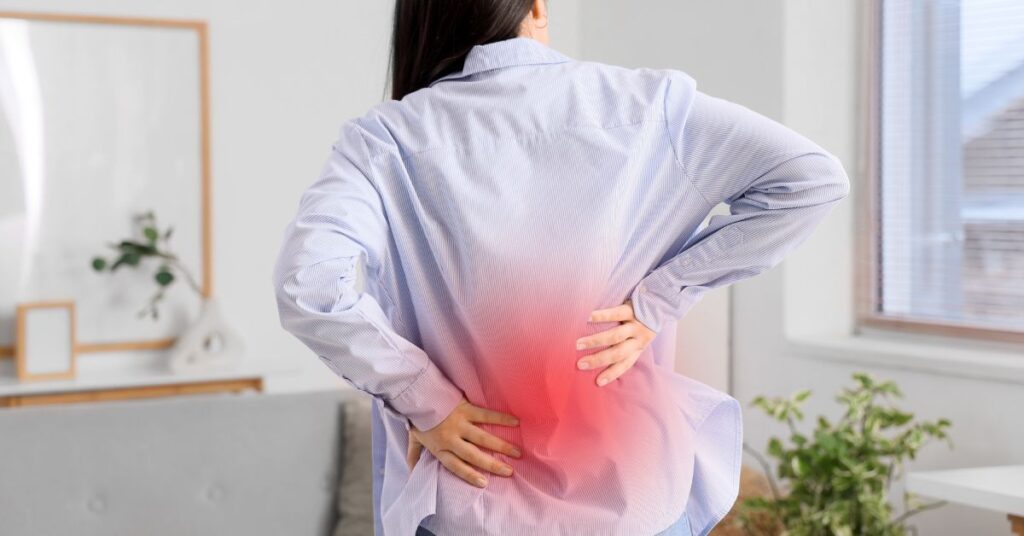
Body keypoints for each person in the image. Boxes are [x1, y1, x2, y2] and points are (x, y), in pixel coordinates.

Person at [272, 0, 850, 534]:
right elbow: (812, 180)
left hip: (476, 499)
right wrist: (659, 298)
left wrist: (425, 396)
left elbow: (309, 285)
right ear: (537, 7)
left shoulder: (385, 140)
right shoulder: (648, 106)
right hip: (633, 495)